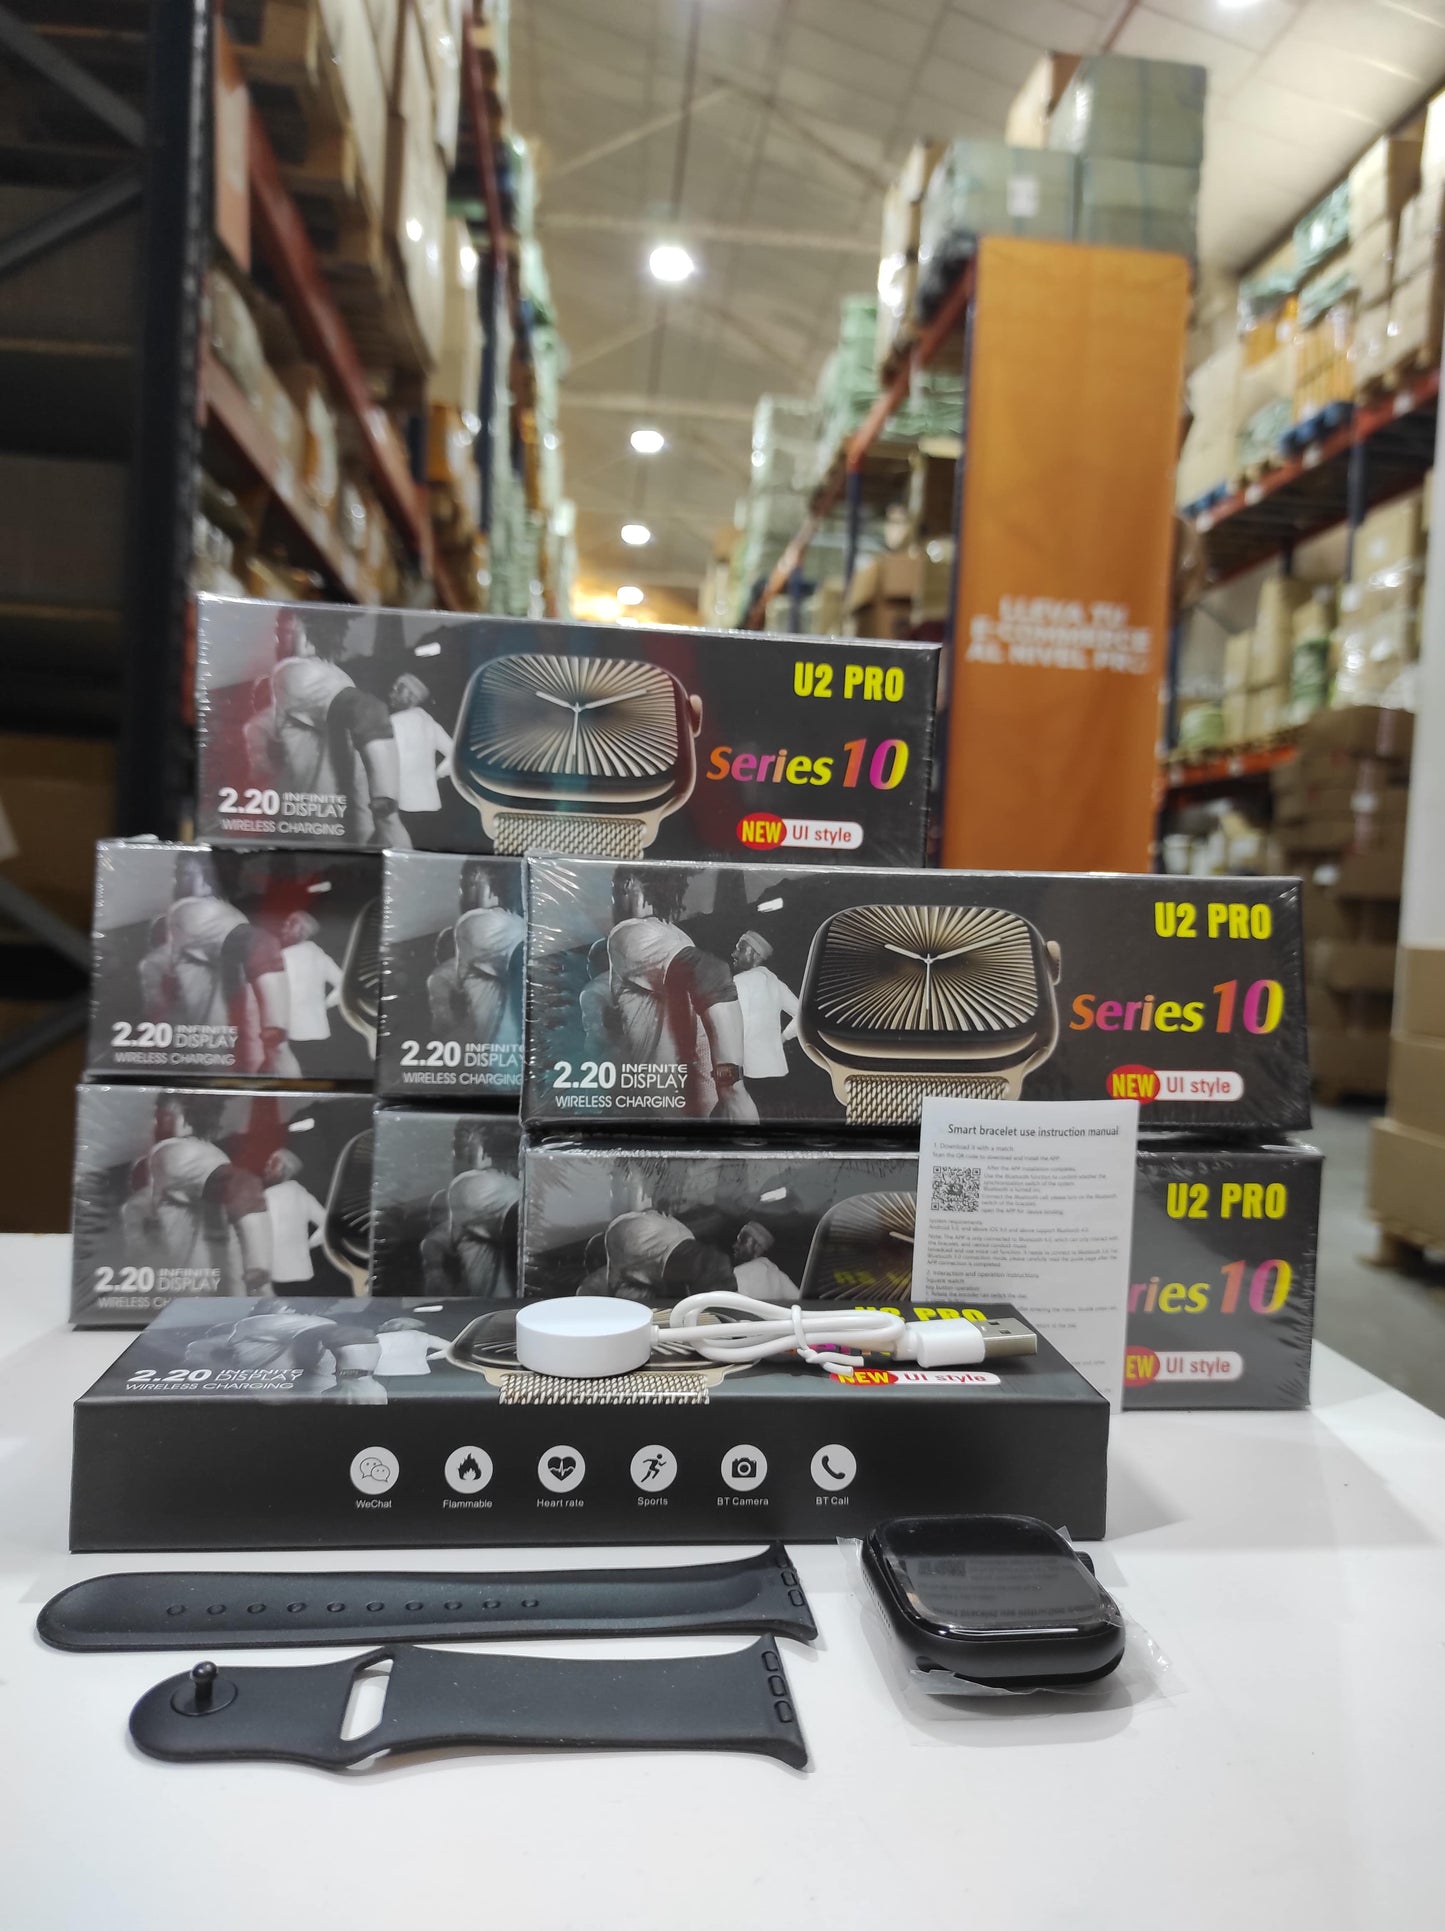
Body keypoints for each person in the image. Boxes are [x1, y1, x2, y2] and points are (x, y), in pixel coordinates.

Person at [606, 868, 757, 1122]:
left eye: (612, 890)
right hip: (699, 1108)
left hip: (665, 1111)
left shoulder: (627, 933)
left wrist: (732, 1088)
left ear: (628, 883)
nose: (612, 900)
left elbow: (713, 973)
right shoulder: (676, 935)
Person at [266, 607, 410, 848]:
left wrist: (387, 818)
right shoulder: (337, 678)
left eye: (284, 629)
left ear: (306, 630)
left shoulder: (293, 672)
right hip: (346, 835)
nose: (277, 639)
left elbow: (370, 712)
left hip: (321, 838)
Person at [163, 850, 297, 1077]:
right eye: (182, 873)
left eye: (186, 872)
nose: (179, 880)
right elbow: (259, 944)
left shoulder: (226, 912)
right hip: (218, 1056)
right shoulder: (187, 911)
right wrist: (277, 1041)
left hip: (237, 1050)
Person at [145, 1093, 272, 1294]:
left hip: (202, 1298)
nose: (155, 1122)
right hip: (222, 1295)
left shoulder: (176, 1152)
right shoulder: (208, 1154)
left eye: (162, 1114)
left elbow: (244, 1185)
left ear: (183, 1116)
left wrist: (258, 1270)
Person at [730, 930, 800, 1079]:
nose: (733, 954)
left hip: (750, 1072)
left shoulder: (739, 982)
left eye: (740, 949)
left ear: (756, 955)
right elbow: (803, 1016)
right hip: (778, 1069)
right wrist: (782, 1038)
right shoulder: (777, 983)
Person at [387, 673, 454, 813]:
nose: (391, 695)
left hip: (404, 803)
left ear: (410, 695)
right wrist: (437, 775)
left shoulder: (393, 722)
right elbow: (456, 755)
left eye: (396, 690)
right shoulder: (430, 723)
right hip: (430, 802)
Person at [261, 1147, 327, 1285]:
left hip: (277, 1275)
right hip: (303, 1272)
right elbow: (329, 1225)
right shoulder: (303, 1195)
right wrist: (308, 1245)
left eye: (270, 1165)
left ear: (282, 1169)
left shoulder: (267, 1197)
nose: (266, 1169)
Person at [279, 910, 343, 1043]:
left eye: (287, 925)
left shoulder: (283, 957)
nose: (283, 929)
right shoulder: (320, 956)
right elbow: (344, 985)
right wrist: (326, 1004)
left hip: (293, 1031)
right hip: (319, 1029)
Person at [731, 1220, 801, 1305]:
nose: (735, 1245)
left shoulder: (739, 1273)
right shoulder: (777, 1275)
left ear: (758, 1247)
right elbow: (801, 1303)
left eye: (742, 1241)